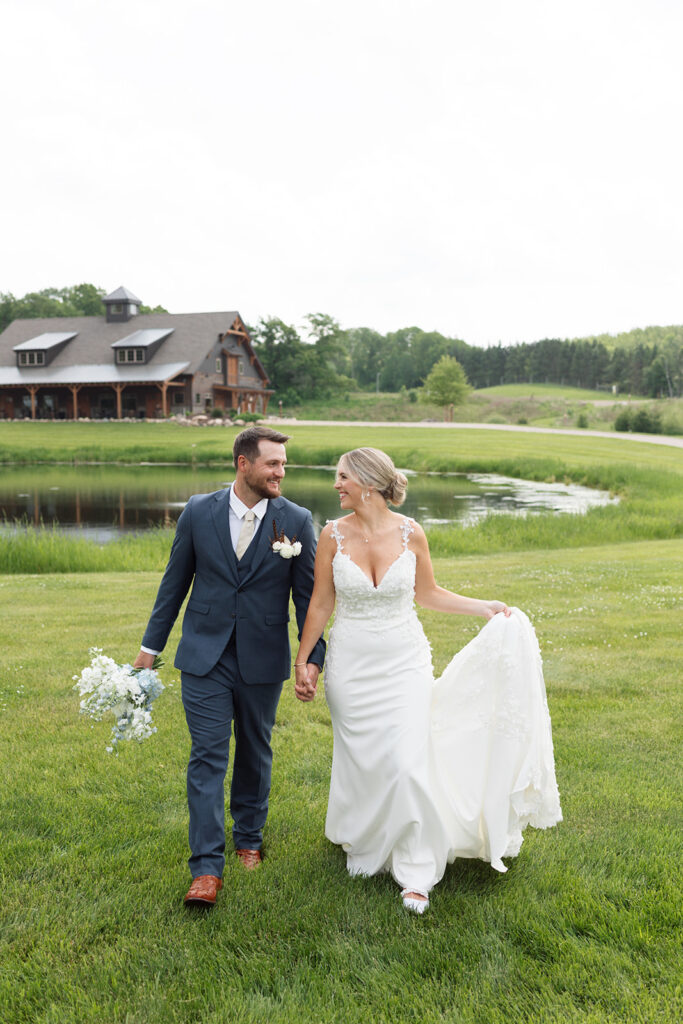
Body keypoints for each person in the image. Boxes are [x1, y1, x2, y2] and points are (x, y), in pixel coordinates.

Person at [294, 447, 561, 914]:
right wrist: (303, 661)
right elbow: (320, 603)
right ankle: (368, 838)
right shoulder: (332, 534)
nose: (335, 485)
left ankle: (416, 868)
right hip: (351, 666)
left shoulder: (410, 532)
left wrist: (485, 607)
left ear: (369, 484)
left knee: (405, 760)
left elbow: (428, 594)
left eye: (342, 477)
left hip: (404, 664)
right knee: (363, 759)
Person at [134, 426, 325, 908]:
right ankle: (205, 870)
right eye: (273, 464)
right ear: (244, 464)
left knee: (255, 749)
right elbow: (173, 584)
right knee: (207, 755)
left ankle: (250, 837)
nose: (281, 472)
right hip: (204, 656)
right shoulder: (199, 511)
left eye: (284, 464)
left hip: (263, 657)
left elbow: (310, 600)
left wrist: (312, 659)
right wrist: (148, 649)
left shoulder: (298, 520)